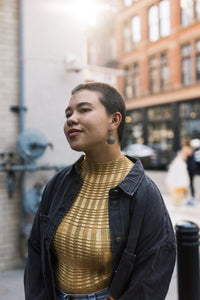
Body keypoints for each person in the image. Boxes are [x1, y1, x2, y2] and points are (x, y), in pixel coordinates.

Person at [24, 82, 176, 300]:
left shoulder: (143, 193)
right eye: (68, 113)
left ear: (114, 120)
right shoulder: (58, 183)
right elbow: (37, 252)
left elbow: (150, 280)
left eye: (84, 110)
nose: (71, 119)